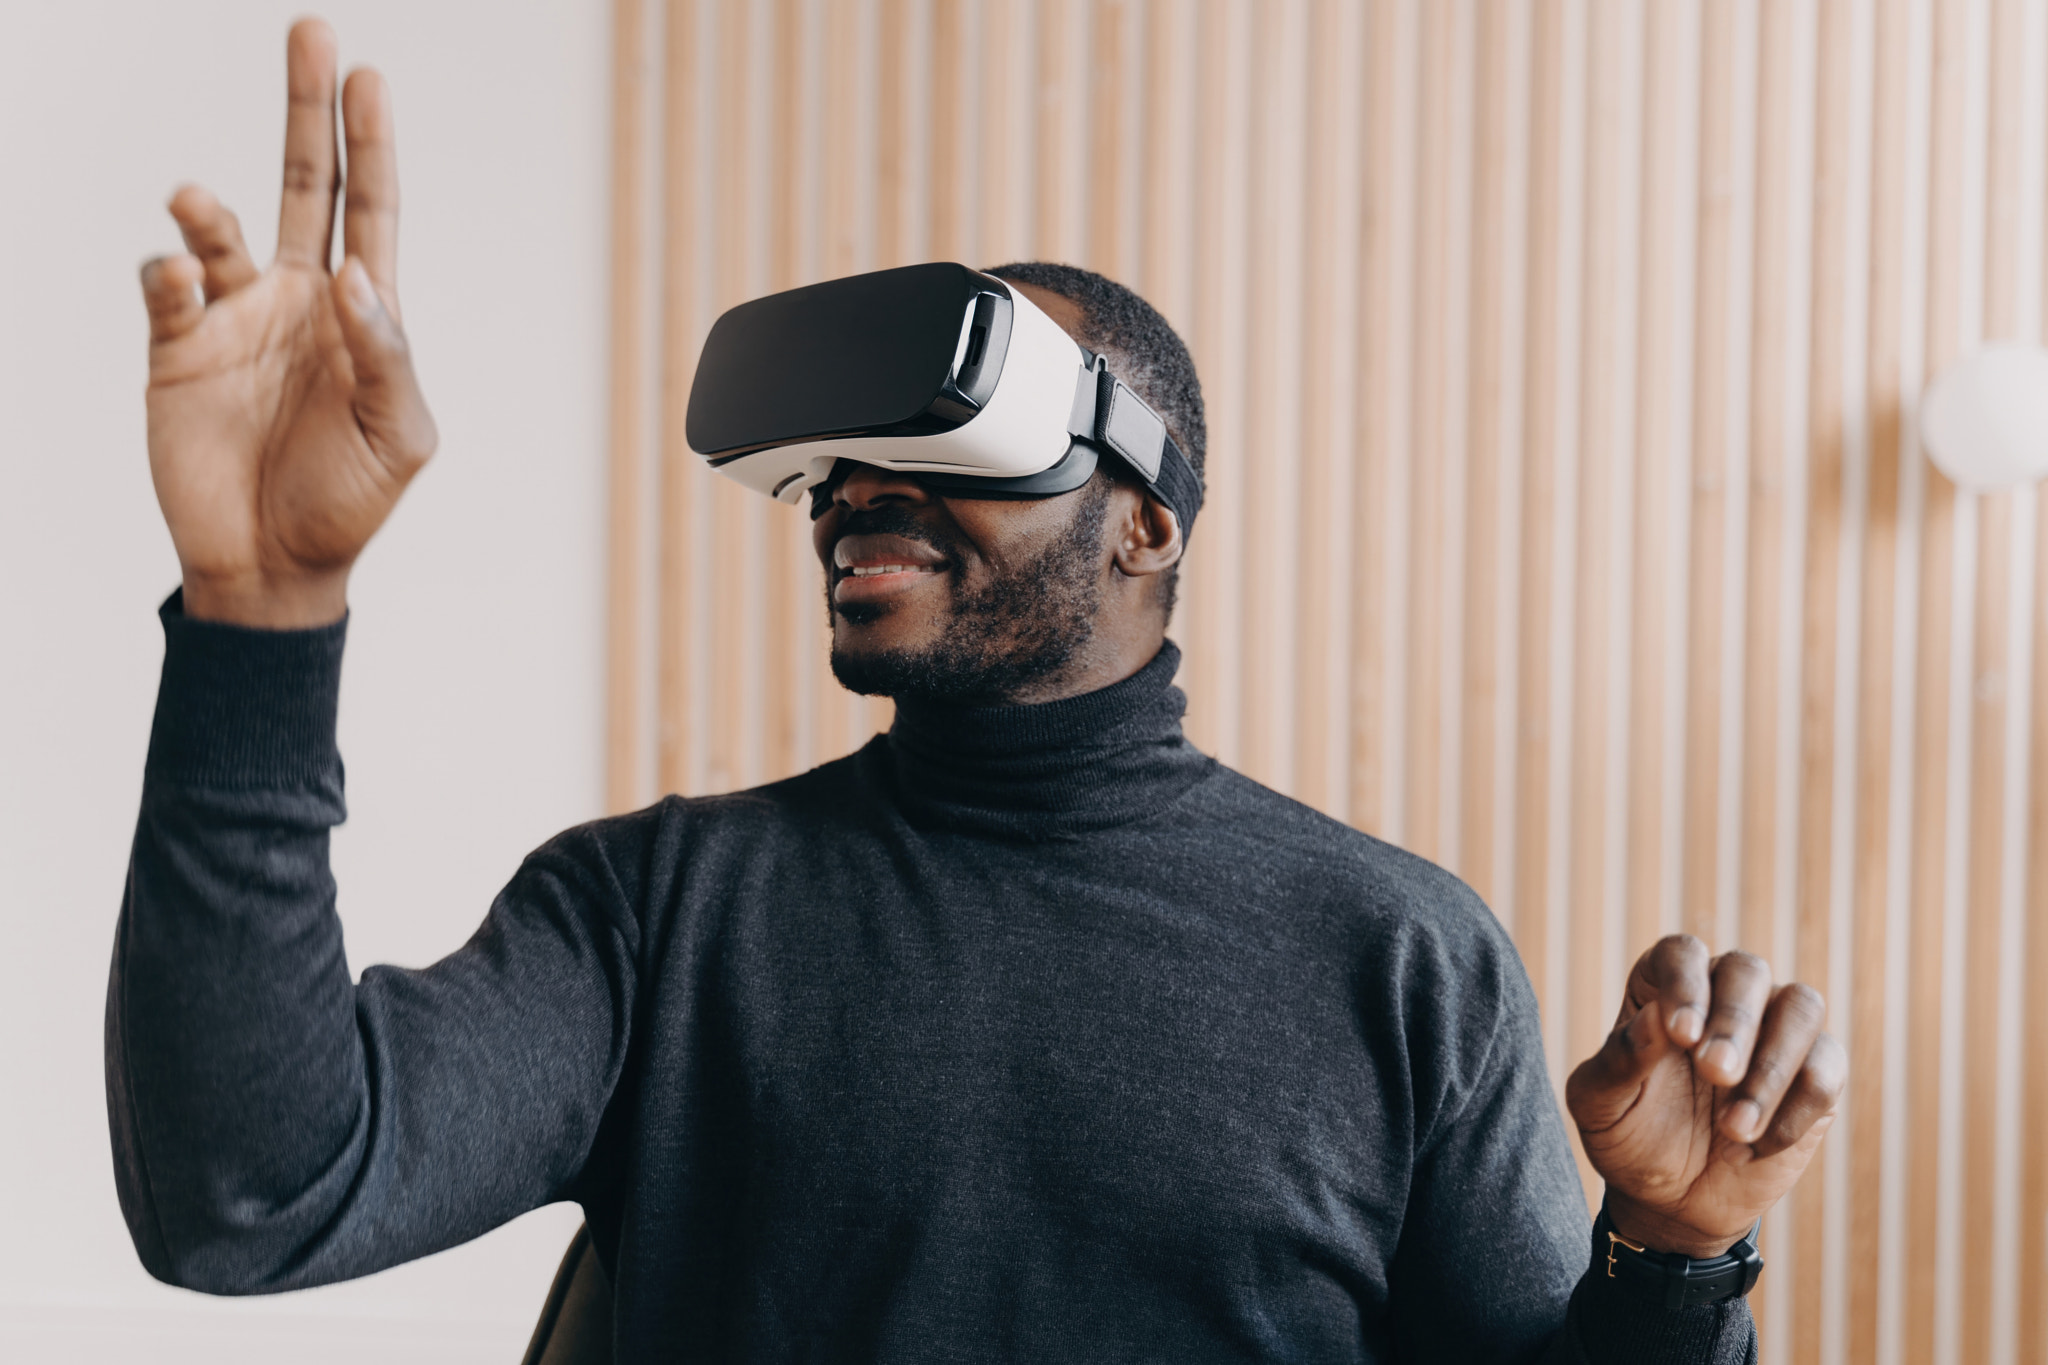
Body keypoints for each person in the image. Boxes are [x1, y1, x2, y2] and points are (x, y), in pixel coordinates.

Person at [110, 19, 1845, 1364]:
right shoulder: (658, 914)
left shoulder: (1399, 957)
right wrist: (266, 613)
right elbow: (245, 1188)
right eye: (841, 459)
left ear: (1149, 516)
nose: (862, 484)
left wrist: (1675, 1255)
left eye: (949, 434)